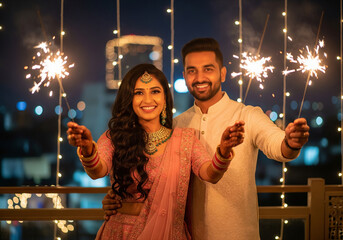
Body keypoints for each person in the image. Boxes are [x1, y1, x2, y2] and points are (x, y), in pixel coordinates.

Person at [102, 38, 310, 240]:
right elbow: (149, 176)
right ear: (184, 75)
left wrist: (291, 142)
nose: (200, 77)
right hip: (187, 234)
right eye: (192, 71)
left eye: (208, 69)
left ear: (222, 73)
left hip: (237, 235)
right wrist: (119, 199)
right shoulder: (175, 126)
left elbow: (277, 145)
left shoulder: (247, 115)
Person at [67, 63, 245, 239]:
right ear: (129, 99)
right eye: (139, 93)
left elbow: (210, 174)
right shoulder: (115, 138)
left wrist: (223, 150)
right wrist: (88, 148)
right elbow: (98, 171)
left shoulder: (185, 140)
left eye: (155, 91)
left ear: (165, 98)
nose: (147, 100)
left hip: (169, 234)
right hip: (122, 233)